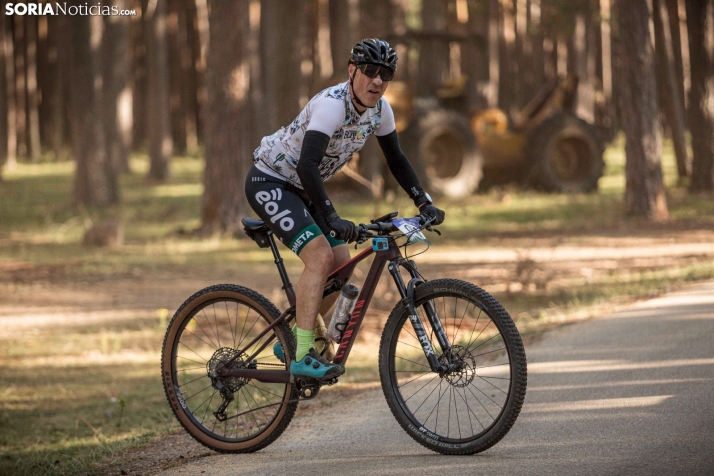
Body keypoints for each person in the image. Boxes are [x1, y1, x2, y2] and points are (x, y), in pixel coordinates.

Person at [244, 38, 445, 381]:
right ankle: (302, 353)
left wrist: (423, 200)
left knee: (343, 266)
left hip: (303, 187)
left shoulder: (381, 111)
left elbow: (396, 160)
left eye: (385, 74)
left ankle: (293, 337)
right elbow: (308, 164)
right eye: (369, 71)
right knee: (321, 258)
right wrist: (332, 217)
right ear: (352, 71)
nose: (377, 81)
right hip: (272, 181)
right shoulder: (332, 106)